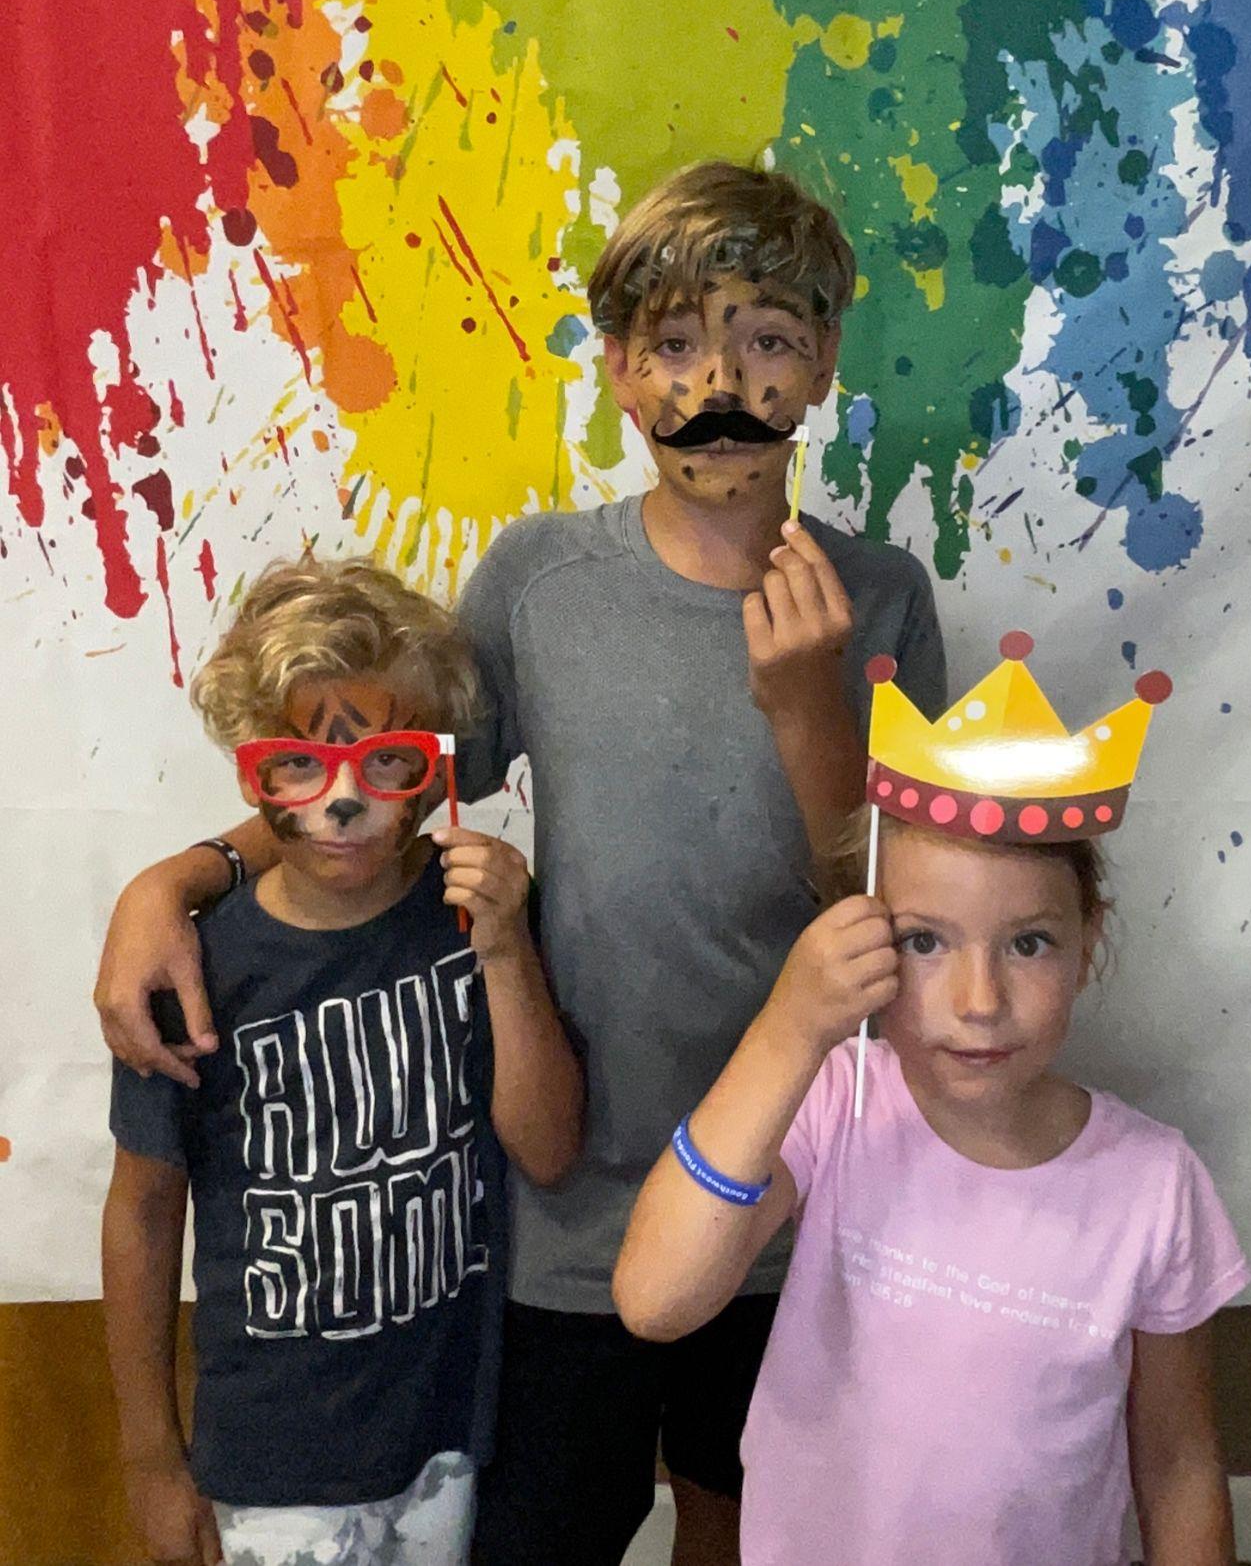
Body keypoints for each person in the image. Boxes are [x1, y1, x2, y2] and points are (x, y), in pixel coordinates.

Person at [95, 161, 947, 1565]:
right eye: (675, 343)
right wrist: (179, 877)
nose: (719, 383)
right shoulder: (543, 580)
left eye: (766, 340)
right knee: (548, 1526)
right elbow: (385, 788)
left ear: (822, 361)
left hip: (794, 1198)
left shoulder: (885, 599)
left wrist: (812, 718)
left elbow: (897, 925)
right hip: (571, 1210)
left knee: (746, 1518)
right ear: (618, 369)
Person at [615, 640, 1250, 1566]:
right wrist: (790, 1028)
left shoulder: (1155, 1185)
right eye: (924, 942)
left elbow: (1178, 1462)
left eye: (1028, 944)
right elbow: (655, 1299)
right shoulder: (836, 1103)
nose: (979, 1000)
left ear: (1088, 943)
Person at [102, 558, 582, 1566]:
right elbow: (143, 1211)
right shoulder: (192, 966)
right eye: (299, 765)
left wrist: (504, 953)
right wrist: (149, 1455)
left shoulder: (478, 920)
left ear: (435, 769)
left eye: (388, 762)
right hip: (272, 1461)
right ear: (253, 771)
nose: (345, 801)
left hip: (453, 1438)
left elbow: (546, 1150)